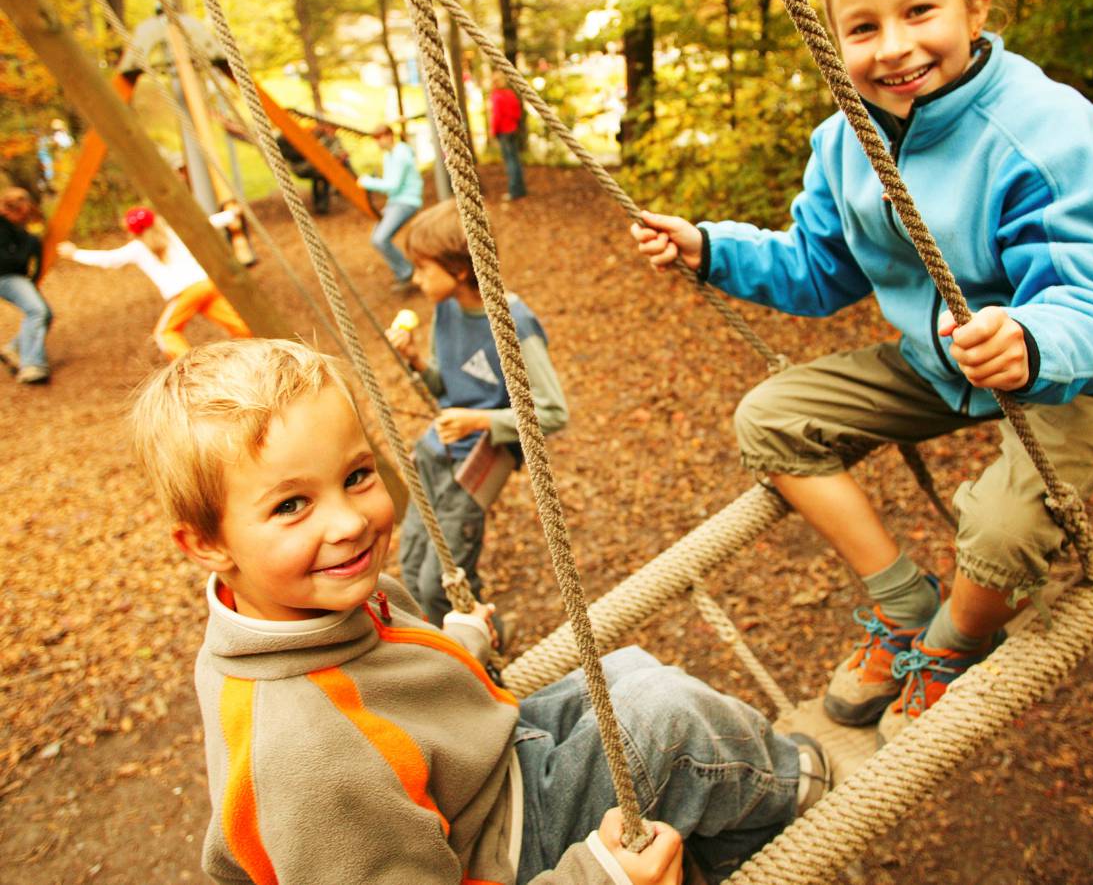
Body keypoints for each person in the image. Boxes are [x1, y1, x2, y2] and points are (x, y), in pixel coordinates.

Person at [631, 0, 1093, 743]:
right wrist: (708, 248)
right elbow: (817, 269)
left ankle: (954, 646)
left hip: (1080, 372)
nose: (893, 47)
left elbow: (1092, 296)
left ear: (975, 6)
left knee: (1000, 522)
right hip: (942, 364)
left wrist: (1029, 341)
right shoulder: (848, 141)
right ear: (834, 43)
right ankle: (906, 607)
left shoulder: (1045, 134)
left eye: (919, 12)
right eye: (862, 27)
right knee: (772, 417)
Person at [130, 336, 832, 885]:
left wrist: (450, 641)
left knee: (626, 670)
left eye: (356, 477)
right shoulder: (307, 764)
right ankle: (792, 795)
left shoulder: (298, 601)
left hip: (483, 772)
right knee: (669, 723)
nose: (349, 522)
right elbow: (354, 741)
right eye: (291, 505)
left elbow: (380, 685)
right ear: (205, 543)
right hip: (500, 853)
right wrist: (597, 875)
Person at [386, 198, 567, 630]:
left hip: (473, 469)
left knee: (438, 586)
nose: (416, 278)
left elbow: (554, 412)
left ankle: (487, 639)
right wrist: (414, 362)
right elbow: (450, 386)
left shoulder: (513, 323)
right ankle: (452, 646)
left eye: (424, 268)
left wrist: (480, 421)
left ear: (460, 269)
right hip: (435, 455)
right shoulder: (446, 308)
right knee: (411, 574)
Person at [57, 205, 252, 360]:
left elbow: (109, 259)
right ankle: (255, 350)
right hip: (206, 285)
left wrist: (74, 253)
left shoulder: (137, 248)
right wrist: (231, 213)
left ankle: (192, 368)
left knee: (165, 333)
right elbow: (204, 224)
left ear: (132, 231)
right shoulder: (173, 233)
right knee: (237, 324)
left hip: (185, 293)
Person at [358, 123, 423, 287]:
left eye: (380, 138)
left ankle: (406, 272)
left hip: (406, 202)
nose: (378, 143)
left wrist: (367, 182)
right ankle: (404, 271)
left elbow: (393, 185)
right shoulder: (389, 155)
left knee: (381, 239)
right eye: (376, 139)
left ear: (389, 136)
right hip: (395, 202)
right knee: (376, 238)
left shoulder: (401, 154)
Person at [0, 187, 53, 384]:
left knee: (46, 313)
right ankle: (31, 364)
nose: (25, 216)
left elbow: (34, 263)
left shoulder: (22, 231)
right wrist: (30, 244)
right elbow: (9, 261)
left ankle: (14, 349)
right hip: (5, 277)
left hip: (18, 277)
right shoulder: (3, 228)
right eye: (21, 212)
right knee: (37, 311)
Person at [490, 75, 526, 201]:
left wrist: (494, 131)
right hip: (512, 130)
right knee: (515, 160)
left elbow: (497, 116)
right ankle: (521, 189)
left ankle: (514, 190)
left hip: (504, 132)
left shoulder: (497, 96)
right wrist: (514, 125)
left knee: (510, 161)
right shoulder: (510, 94)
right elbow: (517, 112)